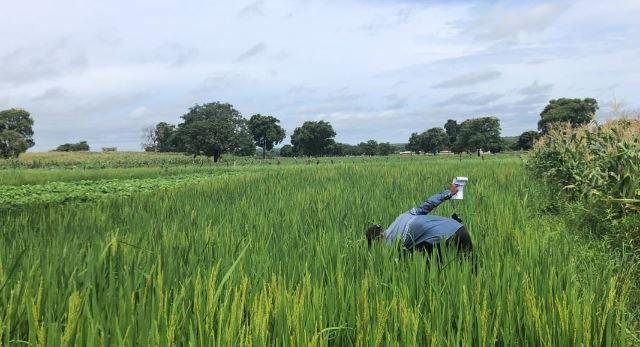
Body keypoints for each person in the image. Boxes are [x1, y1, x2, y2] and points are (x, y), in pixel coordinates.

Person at [365, 183, 473, 261]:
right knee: (472, 266)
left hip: (445, 240)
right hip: (459, 228)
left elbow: (400, 264)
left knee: (433, 270)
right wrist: (448, 192)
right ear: (382, 230)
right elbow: (427, 204)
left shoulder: (391, 246)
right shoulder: (402, 217)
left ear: (377, 240)